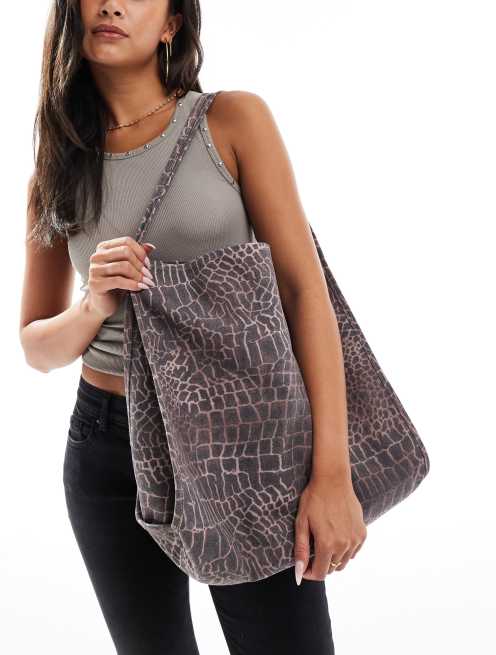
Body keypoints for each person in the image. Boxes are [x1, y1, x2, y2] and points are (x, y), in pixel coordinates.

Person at [19, 1, 366, 653]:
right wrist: (93, 304)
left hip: (243, 439)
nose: (112, 4)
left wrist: (331, 475)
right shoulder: (59, 165)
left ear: (172, 23)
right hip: (107, 443)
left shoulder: (231, 121)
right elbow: (37, 346)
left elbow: (304, 294)